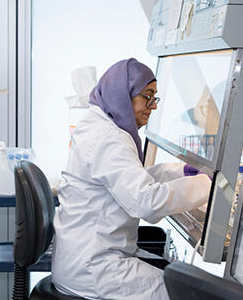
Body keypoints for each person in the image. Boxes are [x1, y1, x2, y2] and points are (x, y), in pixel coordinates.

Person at [51, 58, 211, 300]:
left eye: (154, 97)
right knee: (187, 294)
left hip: (83, 257)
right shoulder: (108, 137)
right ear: (123, 94)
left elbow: (130, 179)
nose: (153, 106)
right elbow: (146, 202)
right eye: (147, 96)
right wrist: (211, 186)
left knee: (175, 278)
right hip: (94, 269)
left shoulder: (100, 124)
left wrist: (180, 172)